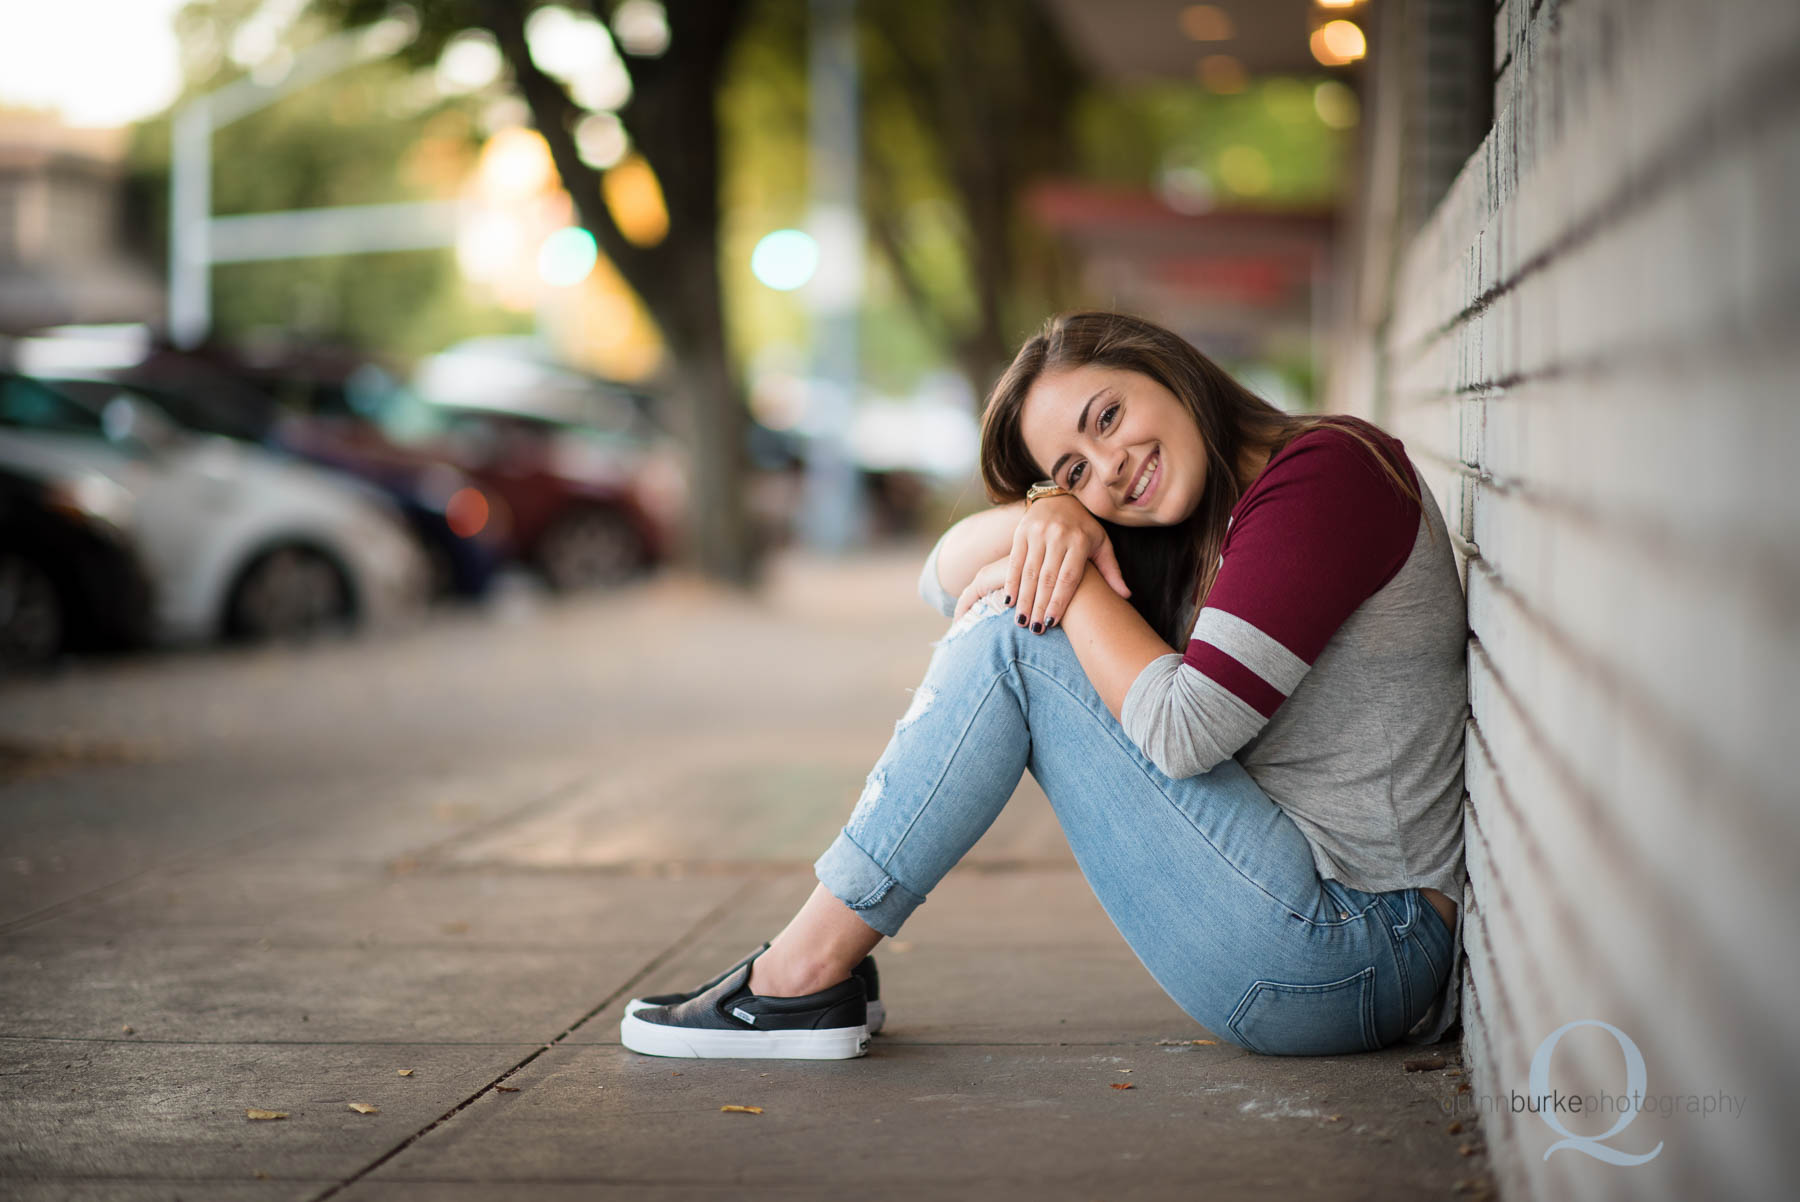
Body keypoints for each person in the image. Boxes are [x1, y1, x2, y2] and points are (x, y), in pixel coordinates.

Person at [620, 311, 1468, 1060]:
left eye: (1110, 416)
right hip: (1319, 939)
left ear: (1168, 369)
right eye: (1073, 469)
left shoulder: (1325, 477)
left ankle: (800, 974)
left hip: (1361, 949)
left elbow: (1184, 733)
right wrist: (1043, 518)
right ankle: (806, 970)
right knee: (1014, 613)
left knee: (1017, 637)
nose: (1110, 465)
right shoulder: (1193, 520)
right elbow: (941, 576)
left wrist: (1075, 578)